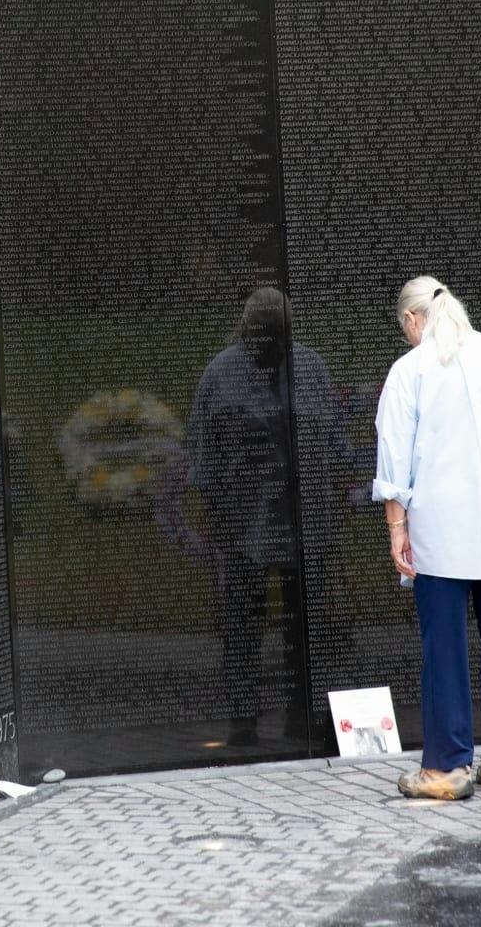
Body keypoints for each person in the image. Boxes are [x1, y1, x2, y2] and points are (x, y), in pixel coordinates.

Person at [374, 277, 481, 800]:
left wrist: (396, 530)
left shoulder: (411, 371)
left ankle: (448, 767)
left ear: (411, 320)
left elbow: (393, 461)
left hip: (439, 534)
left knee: (444, 648)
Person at [187, 286, 326, 750]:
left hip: (303, 523)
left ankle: (299, 715)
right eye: (260, 334)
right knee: (241, 626)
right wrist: (218, 521)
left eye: (275, 334)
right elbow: (204, 458)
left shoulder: (309, 367)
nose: (267, 343)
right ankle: (243, 720)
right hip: (244, 526)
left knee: (302, 624)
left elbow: (330, 441)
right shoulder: (220, 374)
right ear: (246, 331)